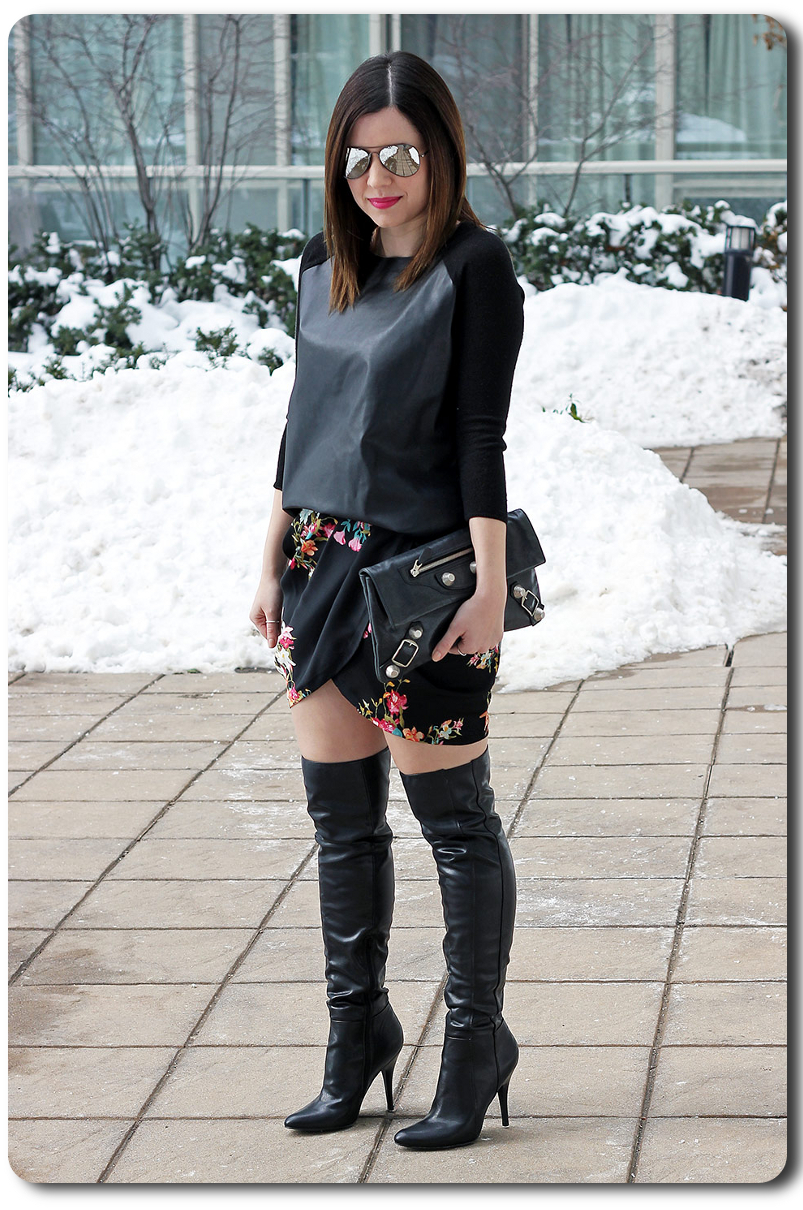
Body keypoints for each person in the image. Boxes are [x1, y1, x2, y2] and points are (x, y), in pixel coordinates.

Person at [249, 50, 525, 1151]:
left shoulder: (475, 267)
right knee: (342, 824)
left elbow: (479, 437)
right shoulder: (324, 261)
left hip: (423, 580)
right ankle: (355, 1036)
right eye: (359, 159)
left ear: (441, 153)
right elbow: (302, 417)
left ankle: (475, 1046)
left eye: (402, 156)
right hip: (322, 567)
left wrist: (491, 588)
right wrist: (269, 558)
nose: (379, 179)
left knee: (454, 823)